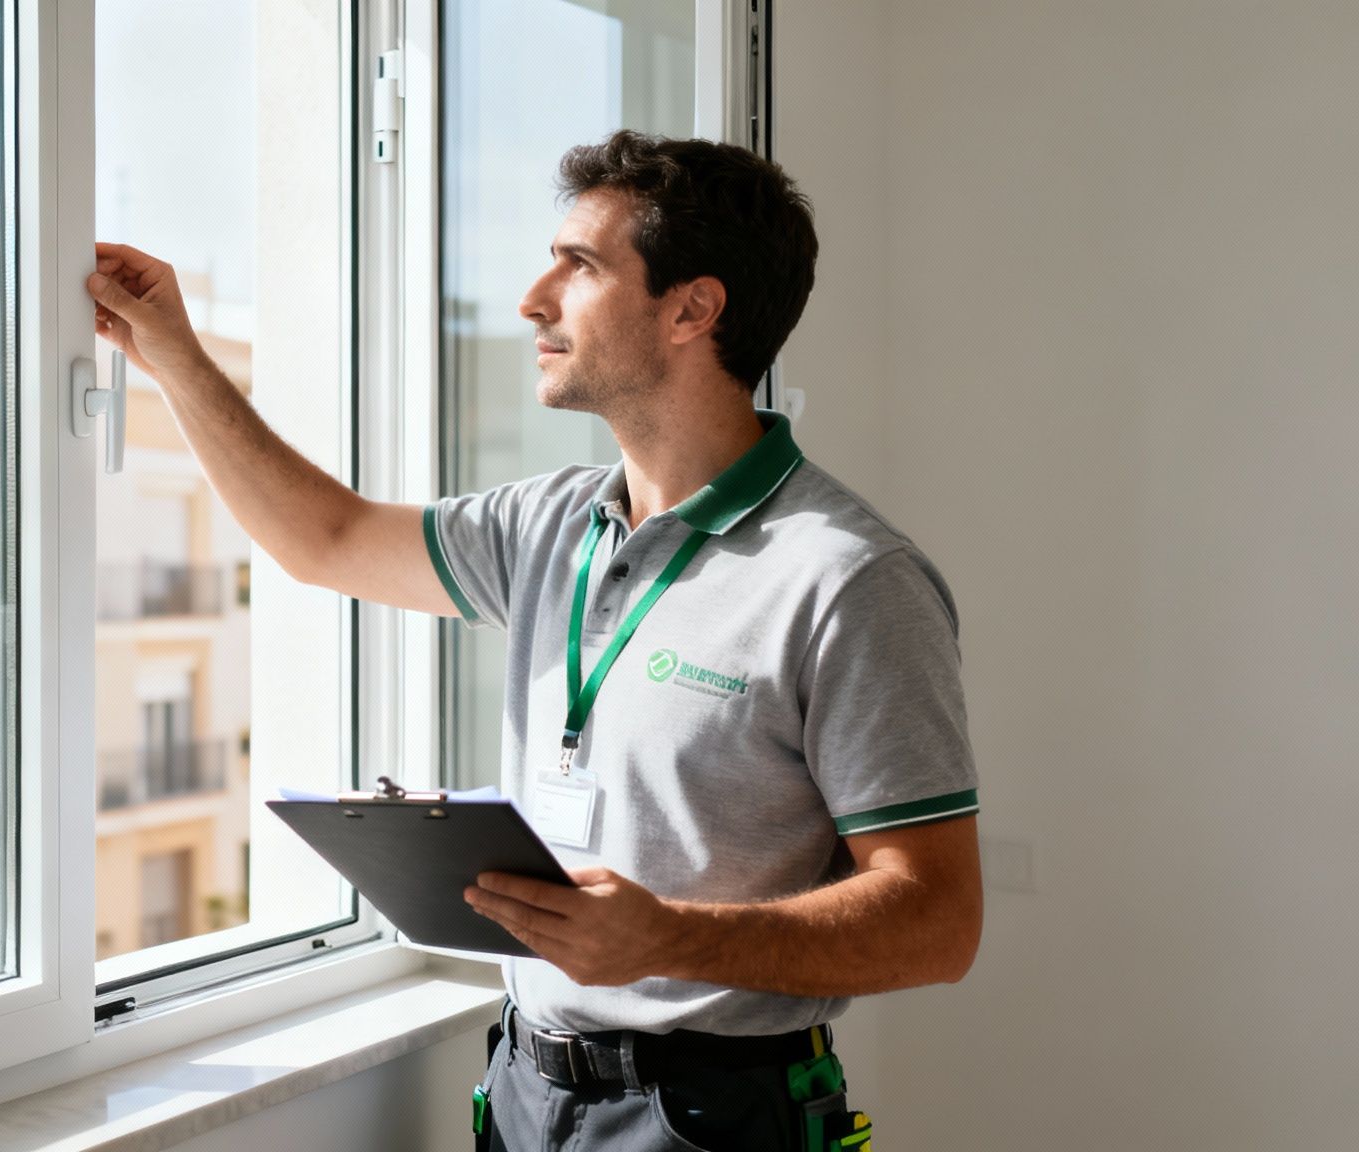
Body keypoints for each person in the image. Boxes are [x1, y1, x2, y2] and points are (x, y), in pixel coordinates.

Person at [85, 129, 981, 1152]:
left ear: (692, 308)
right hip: (522, 1089)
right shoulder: (545, 525)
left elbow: (936, 923)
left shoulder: (849, 580)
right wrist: (170, 354)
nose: (531, 298)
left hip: (711, 1117)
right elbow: (325, 540)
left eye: (581, 266)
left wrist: (671, 938)